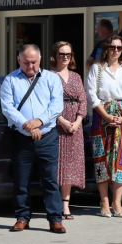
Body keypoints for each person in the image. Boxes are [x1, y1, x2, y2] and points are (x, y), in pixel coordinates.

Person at [1, 44, 66, 234]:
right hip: (21, 137)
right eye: (27, 62)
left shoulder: (51, 78)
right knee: (21, 180)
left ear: (40, 60)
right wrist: (26, 125)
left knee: (50, 179)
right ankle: (22, 217)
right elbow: (7, 107)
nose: (31, 66)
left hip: (47, 136)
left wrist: (38, 122)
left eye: (34, 62)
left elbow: (56, 106)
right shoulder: (10, 80)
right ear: (19, 60)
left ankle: (55, 219)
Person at [86, 35, 122, 218]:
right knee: (101, 158)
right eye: (112, 47)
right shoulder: (97, 69)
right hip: (101, 115)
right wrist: (106, 115)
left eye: (119, 47)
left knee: (120, 158)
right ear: (106, 48)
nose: (116, 50)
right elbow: (91, 94)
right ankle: (104, 202)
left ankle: (117, 202)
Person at [50, 41, 87, 220]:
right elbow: (46, 101)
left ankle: (66, 206)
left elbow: (83, 100)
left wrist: (78, 121)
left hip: (74, 126)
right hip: (56, 123)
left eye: (68, 54)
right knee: (58, 165)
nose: (65, 57)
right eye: (61, 54)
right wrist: (61, 120)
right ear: (55, 56)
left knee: (70, 166)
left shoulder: (76, 76)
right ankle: (54, 204)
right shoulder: (48, 76)